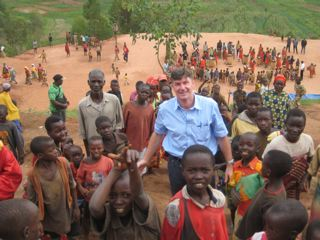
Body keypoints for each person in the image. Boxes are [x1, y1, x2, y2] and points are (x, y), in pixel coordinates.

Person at [138, 67, 233, 195]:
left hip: (204, 166)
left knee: (205, 202)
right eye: (177, 84)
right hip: (177, 165)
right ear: (172, 86)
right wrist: (145, 159)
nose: (182, 88)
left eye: (185, 83)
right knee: (179, 202)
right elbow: (158, 134)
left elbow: (221, 136)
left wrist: (230, 163)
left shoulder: (209, 105)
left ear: (192, 83)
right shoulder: (165, 109)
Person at [89, 149, 161, 239]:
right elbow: (94, 208)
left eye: (126, 195)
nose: (118, 201)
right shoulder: (108, 212)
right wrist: (115, 170)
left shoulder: (143, 209)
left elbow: (138, 193)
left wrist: (132, 166)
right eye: (112, 196)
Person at [161, 145, 228, 240]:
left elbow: (221, 232)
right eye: (192, 171)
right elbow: (168, 236)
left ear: (213, 170)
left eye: (205, 170)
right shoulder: (175, 207)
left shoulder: (219, 199)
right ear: (182, 171)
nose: (199, 176)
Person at [27, 136, 80, 239]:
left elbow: (72, 185)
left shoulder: (63, 163)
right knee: (54, 236)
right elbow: (31, 201)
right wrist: (37, 222)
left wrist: (76, 208)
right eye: (51, 150)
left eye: (55, 148)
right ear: (40, 155)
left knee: (74, 235)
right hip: (49, 217)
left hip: (68, 210)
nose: (56, 151)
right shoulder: (33, 175)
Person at [236, 150, 292, 239]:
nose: (261, 166)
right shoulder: (269, 183)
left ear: (268, 172)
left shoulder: (272, 201)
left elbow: (267, 231)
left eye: (263, 165)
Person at [263, 108, 314, 199]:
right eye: (291, 125)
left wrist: (305, 178)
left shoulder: (308, 140)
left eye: (299, 126)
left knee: (291, 207)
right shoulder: (275, 143)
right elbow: (264, 163)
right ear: (285, 124)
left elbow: (310, 161)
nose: (295, 130)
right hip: (276, 184)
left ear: (304, 126)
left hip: (295, 185)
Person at [78, 69, 124, 154]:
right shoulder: (82, 105)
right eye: (93, 81)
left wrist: (115, 144)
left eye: (99, 81)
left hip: (112, 149)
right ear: (88, 82)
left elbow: (119, 124)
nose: (96, 85)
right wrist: (89, 153)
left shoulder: (114, 100)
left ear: (104, 82)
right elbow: (83, 133)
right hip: (94, 150)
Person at [76, 136, 114, 239]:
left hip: (104, 200)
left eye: (99, 148)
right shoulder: (84, 163)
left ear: (103, 147)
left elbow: (113, 179)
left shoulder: (108, 162)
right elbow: (78, 180)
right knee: (88, 219)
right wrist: (82, 189)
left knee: (104, 218)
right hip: (89, 199)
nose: (96, 151)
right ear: (88, 148)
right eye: (93, 148)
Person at [229, 132, 264, 233]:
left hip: (255, 214)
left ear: (257, 148)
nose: (244, 147)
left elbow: (265, 190)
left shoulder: (261, 168)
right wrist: (233, 192)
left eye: (249, 145)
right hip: (240, 211)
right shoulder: (235, 166)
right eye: (241, 144)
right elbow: (233, 184)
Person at [123, 83, 155, 156]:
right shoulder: (128, 106)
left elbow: (152, 129)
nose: (144, 94)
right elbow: (123, 126)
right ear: (137, 92)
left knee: (141, 166)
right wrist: (124, 142)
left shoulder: (150, 108)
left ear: (149, 94)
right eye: (142, 92)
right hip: (129, 145)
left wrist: (149, 144)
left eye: (146, 93)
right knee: (129, 166)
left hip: (144, 146)